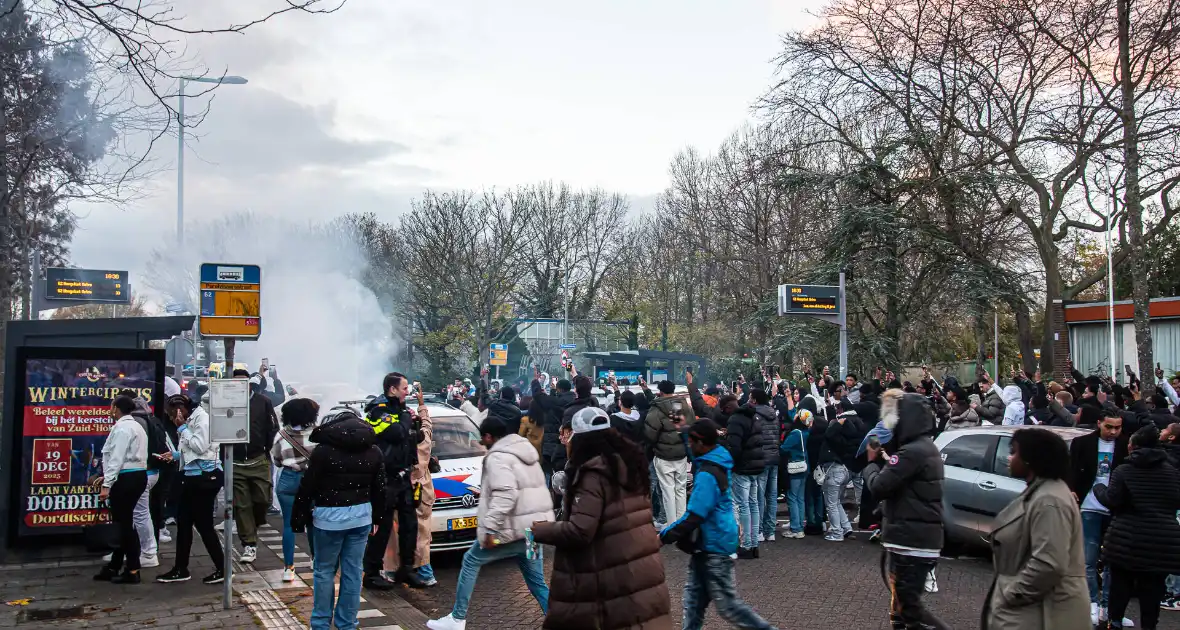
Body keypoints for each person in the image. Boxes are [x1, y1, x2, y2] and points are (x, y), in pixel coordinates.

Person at [531, 407, 672, 629]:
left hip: (610, 577)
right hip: (640, 569)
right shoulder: (630, 466)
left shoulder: (592, 474)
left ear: (579, 440)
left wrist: (540, 530)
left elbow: (580, 530)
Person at [427, 415, 554, 630]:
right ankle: (559, 620)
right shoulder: (524, 450)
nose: (480, 442)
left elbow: (506, 495)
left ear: (488, 436)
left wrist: (490, 529)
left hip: (512, 531)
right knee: (536, 582)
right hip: (533, 532)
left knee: (470, 560)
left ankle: (457, 618)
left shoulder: (497, 458)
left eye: (482, 438)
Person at [660, 419, 777, 630]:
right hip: (710, 543)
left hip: (714, 543)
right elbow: (697, 446)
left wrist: (663, 536)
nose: (688, 446)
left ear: (700, 442)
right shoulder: (717, 457)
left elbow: (695, 515)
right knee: (694, 603)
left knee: (728, 606)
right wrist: (685, 430)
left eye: (691, 441)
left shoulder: (707, 474)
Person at [983, 428, 1090, 629]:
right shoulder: (1041, 493)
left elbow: (1049, 563)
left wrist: (1012, 593)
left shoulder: (1049, 500)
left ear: (1030, 459)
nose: (1009, 458)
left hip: (1040, 612)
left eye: (1014, 452)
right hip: (1031, 610)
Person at [291, 408, 386, 630]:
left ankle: (320, 624)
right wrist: (378, 517)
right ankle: (347, 623)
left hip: (328, 518)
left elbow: (308, 486)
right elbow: (380, 488)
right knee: (353, 571)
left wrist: (298, 517)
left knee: (324, 571)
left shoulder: (323, 451)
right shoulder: (374, 451)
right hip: (361, 517)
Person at [863, 389, 948, 630]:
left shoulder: (912, 452)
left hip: (911, 542)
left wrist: (871, 464)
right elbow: (905, 489)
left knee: (909, 608)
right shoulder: (923, 448)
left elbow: (880, 486)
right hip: (912, 538)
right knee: (900, 608)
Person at [1094, 426, 1180, 630]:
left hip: (1126, 540)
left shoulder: (1124, 471)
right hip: (1162, 542)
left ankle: (1114, 623)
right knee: (1152, 593)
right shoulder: (1172, 472)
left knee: (1120, 589)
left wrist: (1099, 488)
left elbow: (1112, 500)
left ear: (1133, 447)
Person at [362, 372, 427, 589]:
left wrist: (413, 422)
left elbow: (416, 436)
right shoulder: (378, 411)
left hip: (404, 476)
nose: (408, 392)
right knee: (383, 526)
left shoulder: (401, 411)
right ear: (392, 389)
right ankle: (372, 573)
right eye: (404, 388)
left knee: (410, 525)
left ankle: (406, 569)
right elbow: (397, 433)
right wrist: (407, 419)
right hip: (385, 478)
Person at [156, 394, 226, 585]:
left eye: (172, 413)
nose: (171, 417)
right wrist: (175, 455)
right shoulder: (192, 419)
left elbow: (200, 447)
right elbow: (192, 450)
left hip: (205, 478)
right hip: (193, 476)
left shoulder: (202, 419)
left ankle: (222, 568)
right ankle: (181, 568)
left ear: (180, 409)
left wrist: (182, 428)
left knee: (203, 524)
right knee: (184, 522)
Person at [1068, 411, 1128, 626]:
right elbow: (1070, 469)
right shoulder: (1082, 443)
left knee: (1113, 561)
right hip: (1089, 506)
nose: (1113, 432)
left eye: (1117, 427)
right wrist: (1071, 489)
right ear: (1099, 423)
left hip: (1115, 508)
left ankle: (1108, 607)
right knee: (1089, 559)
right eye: (1109, 427)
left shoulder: (1126, 445)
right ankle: (1092, 603)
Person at [93, 395, 148, 584]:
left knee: (124, 525)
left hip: (126, 478)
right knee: (122, 523)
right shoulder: (136, 426)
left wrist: (107, 484)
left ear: (116, 408)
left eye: (111, 406)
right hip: (136, 475)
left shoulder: (123, 428)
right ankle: (114, 566)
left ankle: (132, 569)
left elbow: (117, 457)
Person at [230, 369, 279, 565]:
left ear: (249, 383)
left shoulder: (262, 401)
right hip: (235, 460)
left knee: (262, 499)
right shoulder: (226, 401)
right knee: (242, 505)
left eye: (243, 381)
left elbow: (272, 427)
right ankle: (249, 544)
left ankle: (255, 522)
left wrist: (267, 449)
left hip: (258, 458)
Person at [271, 397, 319, 583]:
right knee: (313, 522)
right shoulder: (317, 434)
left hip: (288, 479)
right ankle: (315, 559)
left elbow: (276, 460)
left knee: (289, 524)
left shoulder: (282, 435)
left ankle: (288, 568)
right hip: (311, 481)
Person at [645, 380, 695, 525]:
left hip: (663, 456)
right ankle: (682, 523)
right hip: (681, 455)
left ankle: (672, 525)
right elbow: (687, 427)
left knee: (668, 491)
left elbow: (650, 434)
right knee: (680, 489)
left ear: (660, 391)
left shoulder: (657, 409)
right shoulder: (681, 406)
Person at [723, 400, 765, 558]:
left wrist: (729, 463)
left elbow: (734, 447)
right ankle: (754, 544)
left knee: (743, 505)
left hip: (742, 467)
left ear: (728, 408)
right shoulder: (754, 417)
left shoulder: (735, 420)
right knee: (753, 504)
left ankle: (746, 544)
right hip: (756, 466)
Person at [819, 406, 861, 542]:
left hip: (833, 471)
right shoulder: (845, 440)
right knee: (836, 502)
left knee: (831, 504)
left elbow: (829, 434)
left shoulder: (834, 437)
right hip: (842, 471)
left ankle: (837, 533)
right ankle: (846, 527)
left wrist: (838, 423)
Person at [751, 388, 781, 545]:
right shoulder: (774, 415)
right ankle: (771, 531)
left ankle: (760, 530)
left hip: (761, 458)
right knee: (772, 496)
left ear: (755, 400)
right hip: (774, 457)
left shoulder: (755, 415)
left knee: (759, 496)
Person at [779, 409, 812, 539]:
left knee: (792, 497)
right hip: (805, 467)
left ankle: (795, 528)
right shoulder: (806, 432)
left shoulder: (795, 433)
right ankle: (800, 527)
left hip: (794, 467)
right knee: (800, 498)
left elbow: (783, 448)